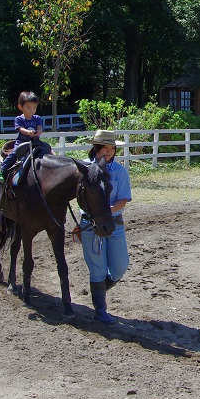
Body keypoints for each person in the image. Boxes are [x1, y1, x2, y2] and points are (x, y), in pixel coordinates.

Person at [82, 128, 132, 324]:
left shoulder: (120, 172)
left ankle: (99, 289)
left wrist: (105, 212)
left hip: (114, 224)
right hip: (91, 225)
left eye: (111, 148)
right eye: (104, 147)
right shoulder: (85, 169)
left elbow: (122, 201)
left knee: (120, 267)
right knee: (98, 269)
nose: (108, 151)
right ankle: (100, 310)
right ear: (96, 148)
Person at [0, 91, 44, 183]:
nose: (32, 110)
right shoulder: (19, 119)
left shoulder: (37, 118)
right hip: (22, 142)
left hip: (35, 142)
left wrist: (38, 132)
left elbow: (40, 128)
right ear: (20, 107)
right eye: (28, 107)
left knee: (48, 150)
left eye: (34, 107)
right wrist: (29, 132)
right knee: (14, 153)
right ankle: (2, 170)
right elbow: (21, 129)